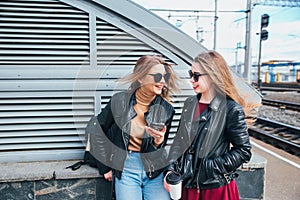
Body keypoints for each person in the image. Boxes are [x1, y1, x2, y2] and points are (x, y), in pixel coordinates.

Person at [164, 50, 259, 200]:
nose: (191, 80)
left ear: (213, 76)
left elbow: (243, 151)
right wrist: (170, 170)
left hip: (214, 188)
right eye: (191, 74)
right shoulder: (190, 104)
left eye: (196, 76)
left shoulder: (231, 109)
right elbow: (179, 141)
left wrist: (210, 167)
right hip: (188, 185)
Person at [93, 55, 180, 200]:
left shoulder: (167, 109)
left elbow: (160, 149)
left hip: (154, 169)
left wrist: (158, 142)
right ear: (140, 78)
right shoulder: (120, 101)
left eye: (165, 76)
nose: (162, 81)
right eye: (157, 76)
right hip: (127, 167)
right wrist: (105, 166)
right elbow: (96, 130)